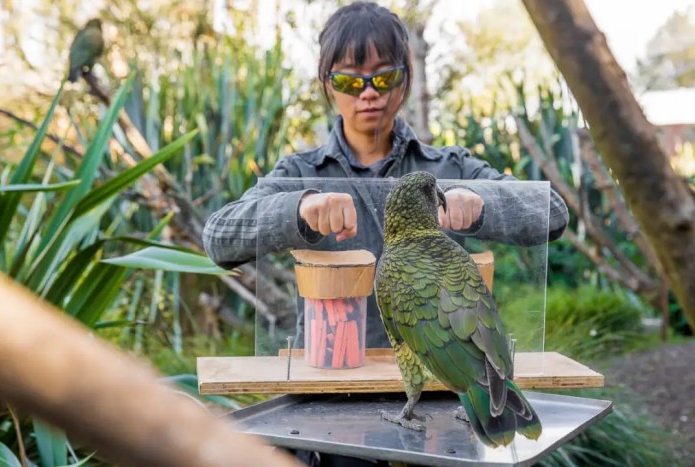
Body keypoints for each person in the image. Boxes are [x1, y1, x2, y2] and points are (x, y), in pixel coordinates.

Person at [203, 2, 568, 465]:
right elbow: (218, 237)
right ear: (327, 84)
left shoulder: (448, 167)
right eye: (350, 81)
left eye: (384, 76)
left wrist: (480, 202)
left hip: (449, 400)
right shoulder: (299, 173)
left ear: (406, 77)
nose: (369, 93)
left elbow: (552, 213)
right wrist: (297, 209)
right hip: (331, 401)